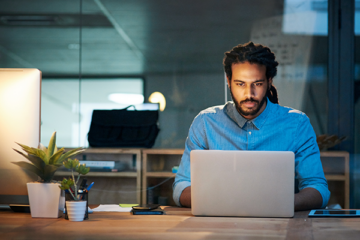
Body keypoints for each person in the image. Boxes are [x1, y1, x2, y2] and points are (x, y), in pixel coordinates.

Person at [172, 41, 330, 211]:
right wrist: (219, 200)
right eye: (240, 84)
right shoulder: (205, 123)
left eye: (258, 84)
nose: (249, 94)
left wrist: (284, 203)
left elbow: (318, 188)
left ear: (269, 81)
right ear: (228, 80)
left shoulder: (297, 124)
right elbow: (181, 186)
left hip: (277, 227)